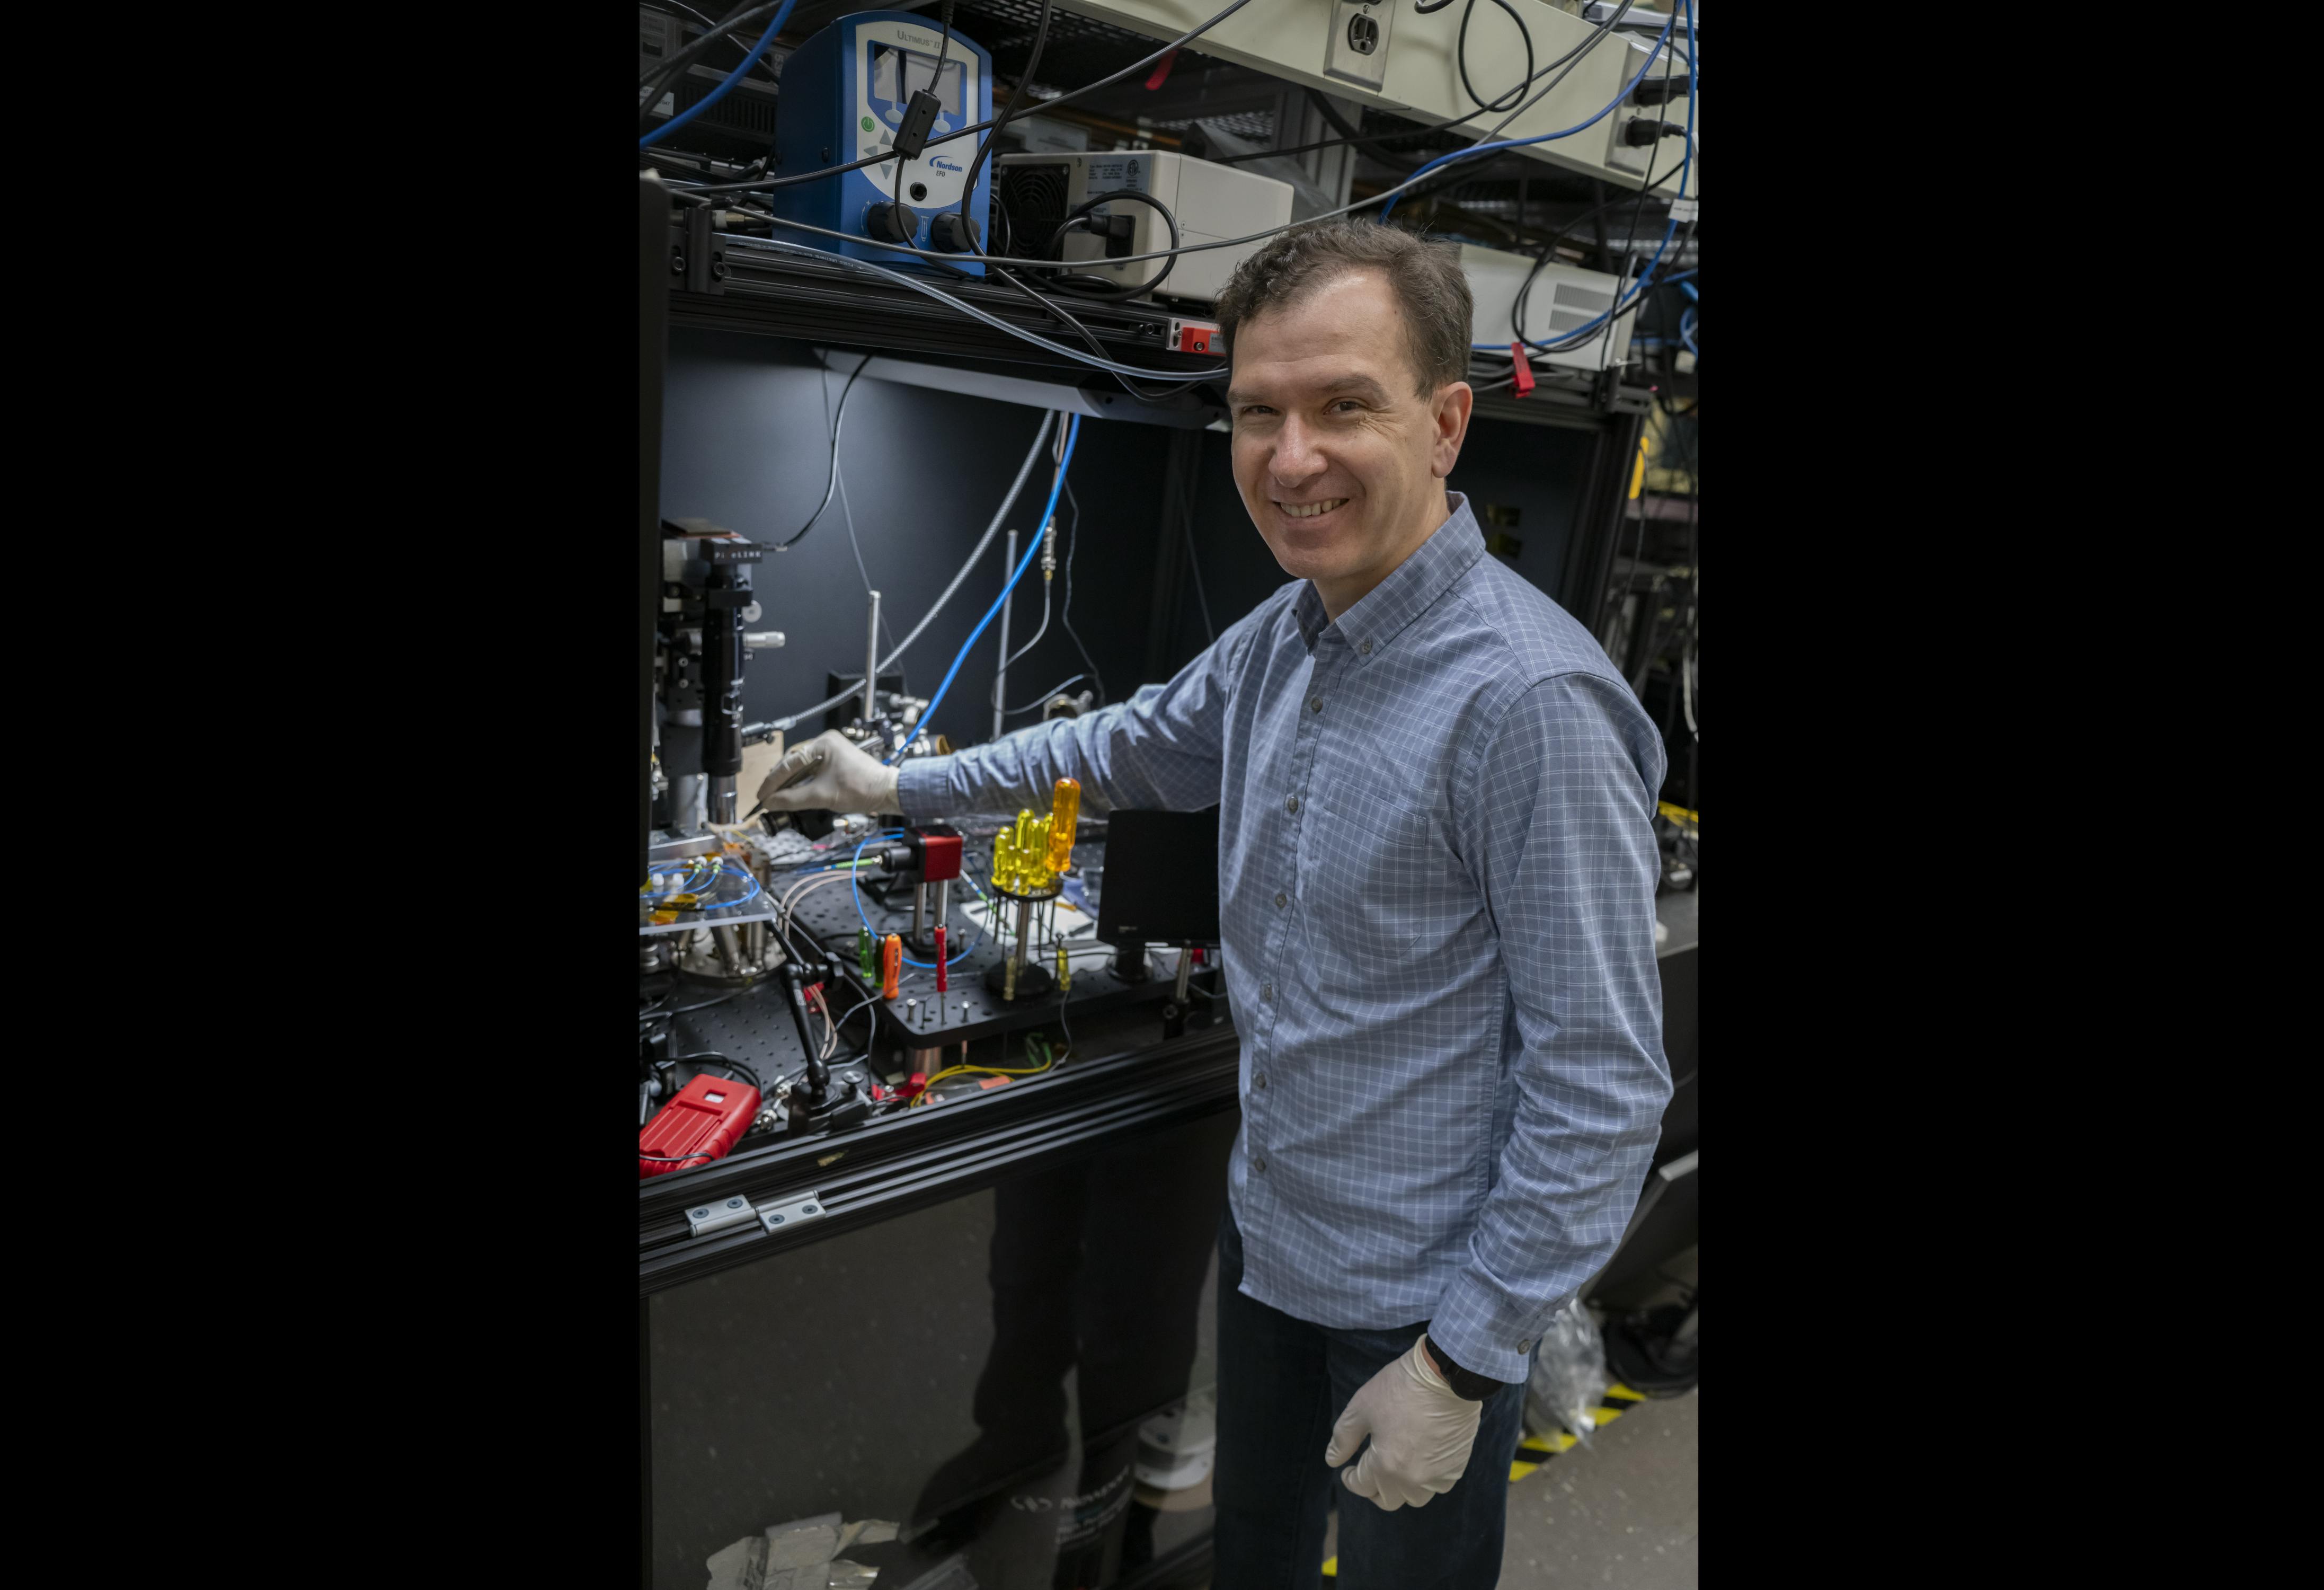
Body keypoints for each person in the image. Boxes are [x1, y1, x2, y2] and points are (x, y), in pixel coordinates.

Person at [757, 222, 1672, 1590]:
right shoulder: (1291, 632)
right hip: (1276, 1239)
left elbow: (1601, 1088)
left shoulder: (1531, 707)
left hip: (1423, 1302)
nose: (1290, 459)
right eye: (1257, 412)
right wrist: (895, 786)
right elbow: (1124, 745)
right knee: (1251, 1552)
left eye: (1343, 405)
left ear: (1445, 424)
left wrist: (1462, 1363)